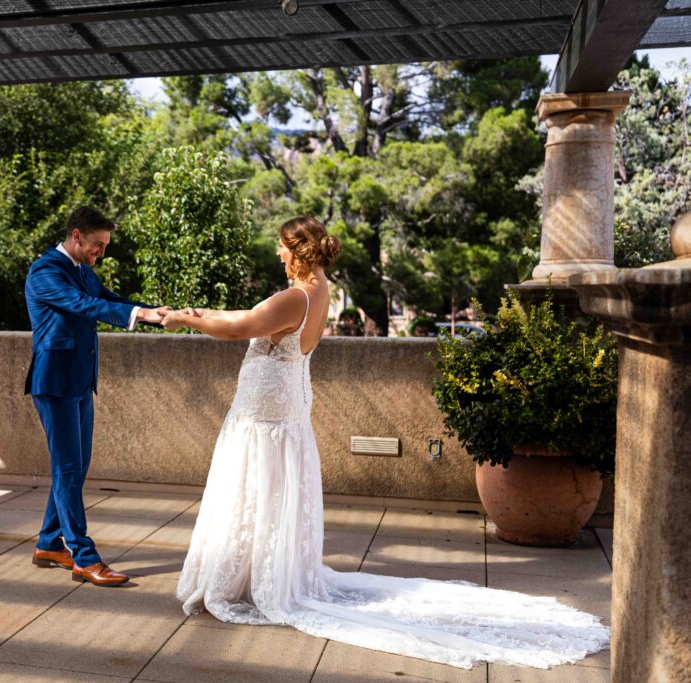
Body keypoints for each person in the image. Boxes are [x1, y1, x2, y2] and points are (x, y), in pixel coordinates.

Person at [161, 216, 609, 669]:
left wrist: (183, 319)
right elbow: (244, 320)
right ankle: (260, 570)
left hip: (265, 412)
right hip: (284, 409)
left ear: (297, 250)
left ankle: (244, 579)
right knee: (267, 488)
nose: (278, 255)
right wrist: (201, 314)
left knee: (253, 486)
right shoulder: (320, 291)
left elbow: (242, 326)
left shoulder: (294, 296)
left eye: (281, 247)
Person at [25, 206, 170, 587]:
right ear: (76, 236)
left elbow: (112, 300)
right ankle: (83, 557)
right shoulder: (45, 272)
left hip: (80, 383)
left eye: (103, 246)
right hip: (53, 383)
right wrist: (141, 314)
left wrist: (155, 312)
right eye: (97, 244)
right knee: (68, 469)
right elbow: (86, 306)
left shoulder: (84, 272)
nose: (100, 253)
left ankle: (47, 543)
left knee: (74, 467)